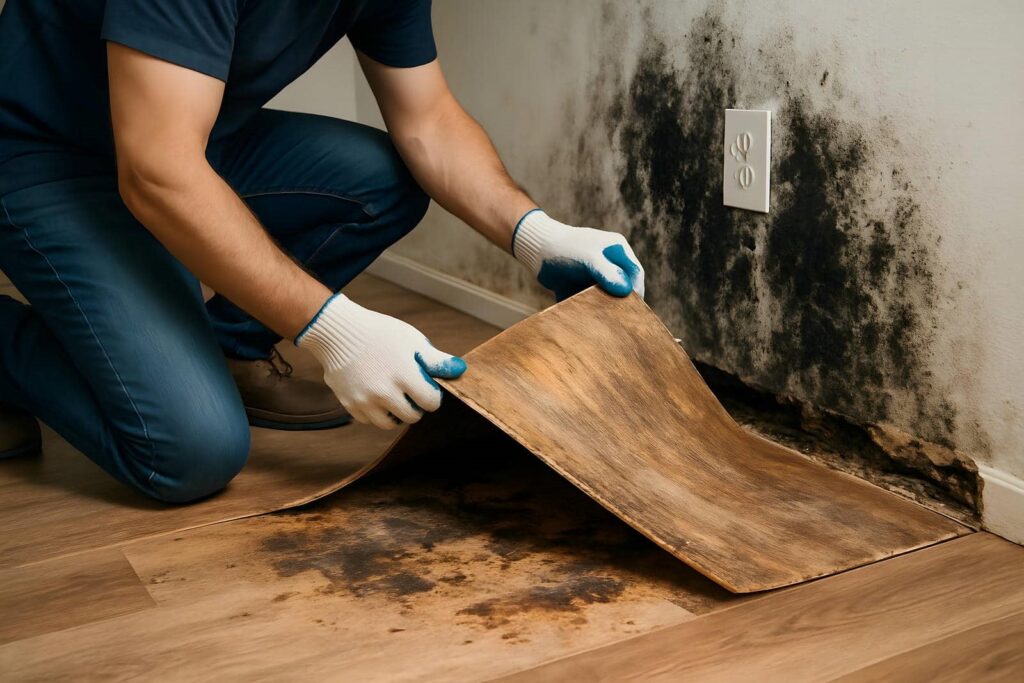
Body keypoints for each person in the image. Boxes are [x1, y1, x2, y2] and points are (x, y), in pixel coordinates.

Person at [0, 0, 645, 503]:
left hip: (188, 139)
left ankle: (229, 346)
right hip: (47, 159)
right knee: (190, 452)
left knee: (385, 181)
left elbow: (429, 119)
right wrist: (333, 330)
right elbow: (157, 173)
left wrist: (538, 235)